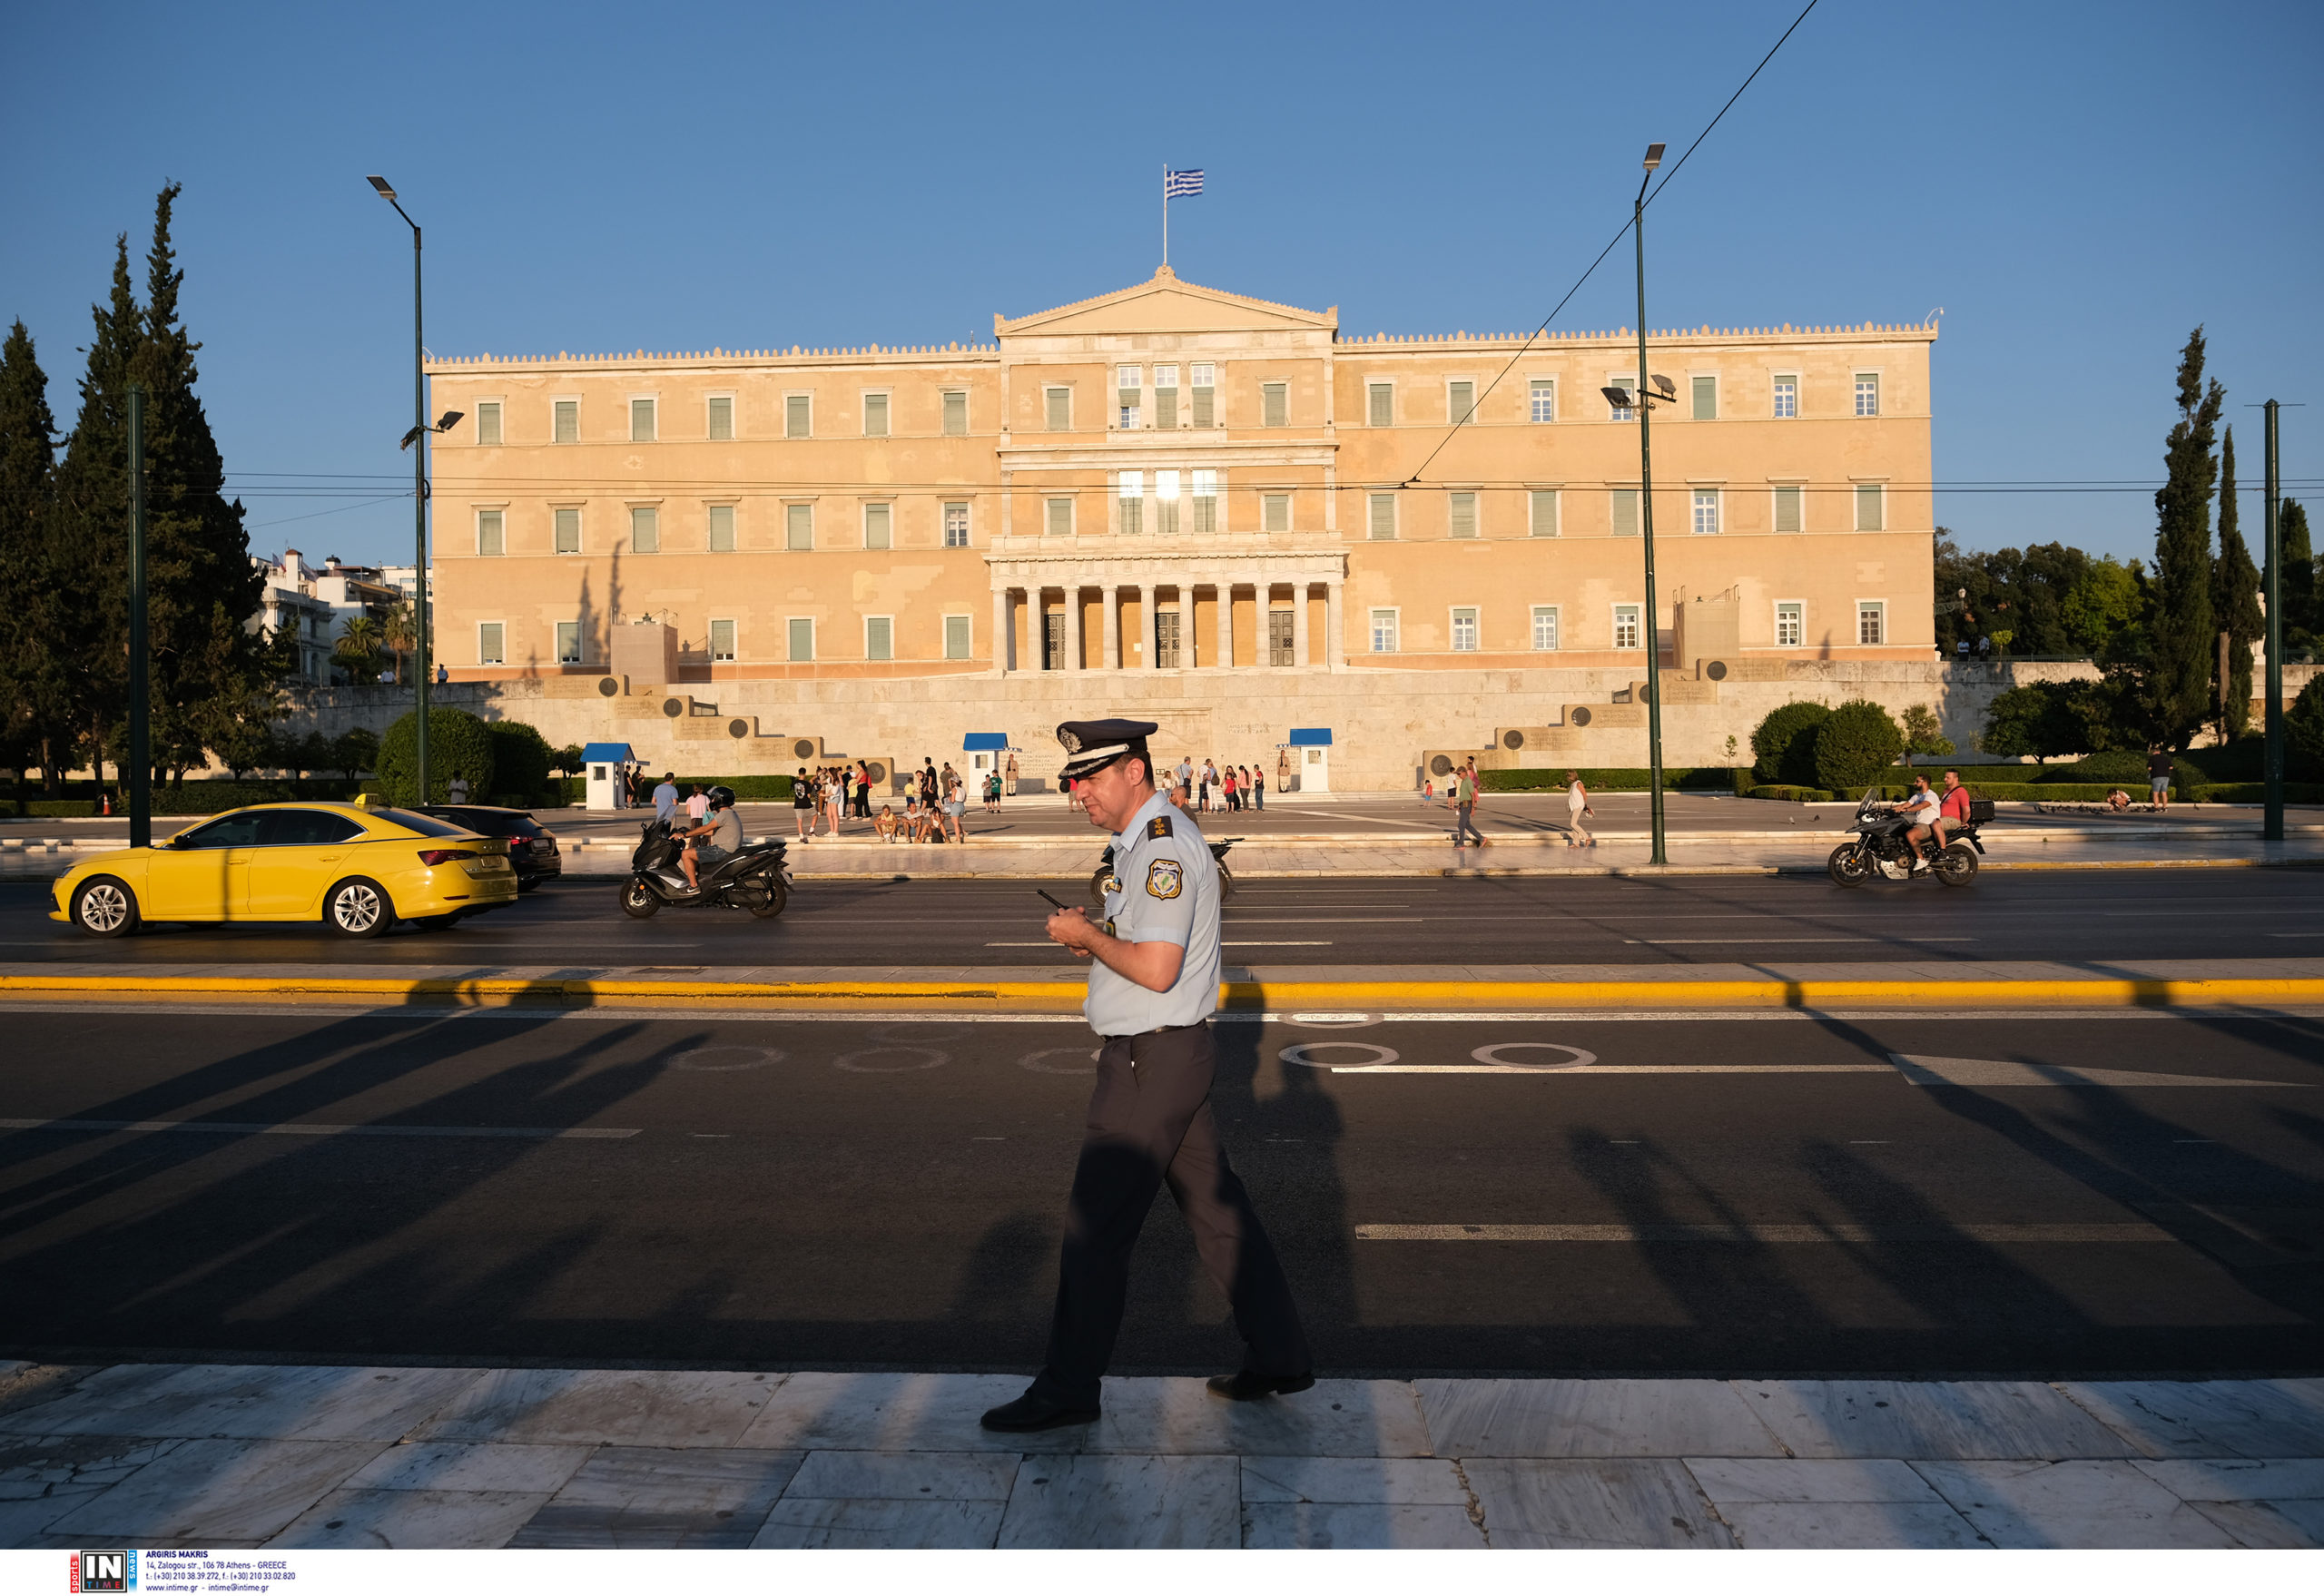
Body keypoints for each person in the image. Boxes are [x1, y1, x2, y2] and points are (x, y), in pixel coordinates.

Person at [980, 718, 1311, 1433]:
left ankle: (1069, 1387)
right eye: (1074, 783)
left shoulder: (1162, 848)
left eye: (1090, 779)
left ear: (1134, 771)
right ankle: (1280, 1355)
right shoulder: (1144, 843)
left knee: (1096, 1229)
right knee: (1219, 1216)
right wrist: (1101, 939)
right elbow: (1147, 949)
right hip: (1167, 1056)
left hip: (1148, 1062)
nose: (1080, 794)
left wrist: (1086, 935)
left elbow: (1158, 970)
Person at [677, 784, 742, 893]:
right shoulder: (731, 813)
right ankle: (700, 880)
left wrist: (685, 835)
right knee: (694, 854)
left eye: (713, 799)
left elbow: (706, 828)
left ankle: (693, 886)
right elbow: (711, 832)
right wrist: (690, 833)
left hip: (722, 850)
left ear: (720, 800)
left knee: (685, 854)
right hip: (728, 849)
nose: (712, 801)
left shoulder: (724, 814)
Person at [1892, 773, 1943, 871]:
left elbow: (1922, 805)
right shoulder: (1918, 796)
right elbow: (1905, 805)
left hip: (1928, 825)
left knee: (1910, 834)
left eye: (1917, 781)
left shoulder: (1931, 795)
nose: (1915, 783)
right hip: (1919, 824)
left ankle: (1921, 860)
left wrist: (1907, 810)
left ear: (1924, 783)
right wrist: (1887, 810)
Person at [1450, 760, 1484, 847]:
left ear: (1464, 773)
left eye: (1459, 774)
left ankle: (1461, 843)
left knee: (1461, 825)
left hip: (1467, 804)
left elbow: (1473, 795)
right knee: (1467, 825)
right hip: (1463, 804)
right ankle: (1481, 838)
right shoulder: (1464, 781)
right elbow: (1463, 795)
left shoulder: (1468, 781)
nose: (1458, 776)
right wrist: (1459, 805)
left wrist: (1473, 808)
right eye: (1457, 774)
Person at [1935, 768, 1972, 850]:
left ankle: (1942, 850)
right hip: (1943, 820)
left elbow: (1967, 811)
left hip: (1952, 820)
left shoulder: (1961, 791)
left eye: (1948, 778)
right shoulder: (1946, 791)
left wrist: (1963, 823)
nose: (1945, 779)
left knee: (1936, 824)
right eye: (1945, 777)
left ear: (1956, 779)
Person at [1564, 771, 1595, 847]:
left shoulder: (1578, 783)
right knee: (1573, 825)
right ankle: (1576, 843)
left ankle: (1587, 837)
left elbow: (1584, 794)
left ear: (1571, 776)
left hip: (1578, 806)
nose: (1567, 778)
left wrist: (1584, 804)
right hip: (1573, 806)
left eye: (1568, 776)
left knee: (1573, 823)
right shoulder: (1572, 784)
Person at [793, 767, 816, 841]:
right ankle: (811, 831)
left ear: (799, 774)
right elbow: (809, 795)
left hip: (798, 804)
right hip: (806, 803)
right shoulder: (807, 783)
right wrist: (811, 786)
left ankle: (801, 837)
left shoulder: (795, 782)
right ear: (805, 774)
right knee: (815, 815)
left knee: (799, 820)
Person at [2147, 745, 2172, 811]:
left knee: (2156, 793)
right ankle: (2165, 807)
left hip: (2156, 776)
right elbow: (2171, 767)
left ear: (2154, 752)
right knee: (2164, 793)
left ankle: (2156, 807)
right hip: (2166, 777)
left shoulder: (2152, 758)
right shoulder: (2166, 758)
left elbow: (2149, 768)